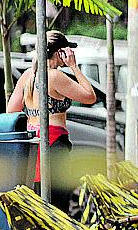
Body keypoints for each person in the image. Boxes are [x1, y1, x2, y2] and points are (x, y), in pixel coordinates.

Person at [7, 30, 96, 212]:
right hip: (55, 142)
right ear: (59, 52)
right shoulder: (54, 76)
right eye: (67, 51)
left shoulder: (27, 76)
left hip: (34, 143)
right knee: (58, 203)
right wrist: (74, 67)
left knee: (40, 199)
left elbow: (11, 110)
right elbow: (90, 96)